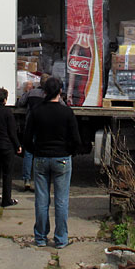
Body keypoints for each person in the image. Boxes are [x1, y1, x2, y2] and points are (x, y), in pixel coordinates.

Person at [24, 76, 81, 248]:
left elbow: (26, 138)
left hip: (41, 158)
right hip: (62, 158)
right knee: (61, 201)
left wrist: (36, 152)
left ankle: (40, 237)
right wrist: (69, 152)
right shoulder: (67, 112)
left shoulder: (36, 111)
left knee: (41, 200)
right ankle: (61, 239)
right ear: (60, 91)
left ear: (44, 91)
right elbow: (76, 140)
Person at [16, 75, 47, 191]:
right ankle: (40, 180)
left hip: (30, 124)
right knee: (41, 153)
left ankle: (27, 179)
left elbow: (20, 103)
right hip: (43, 126)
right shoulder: (50, 94)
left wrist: (26, 92)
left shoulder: (32, 93)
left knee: (28, 152)